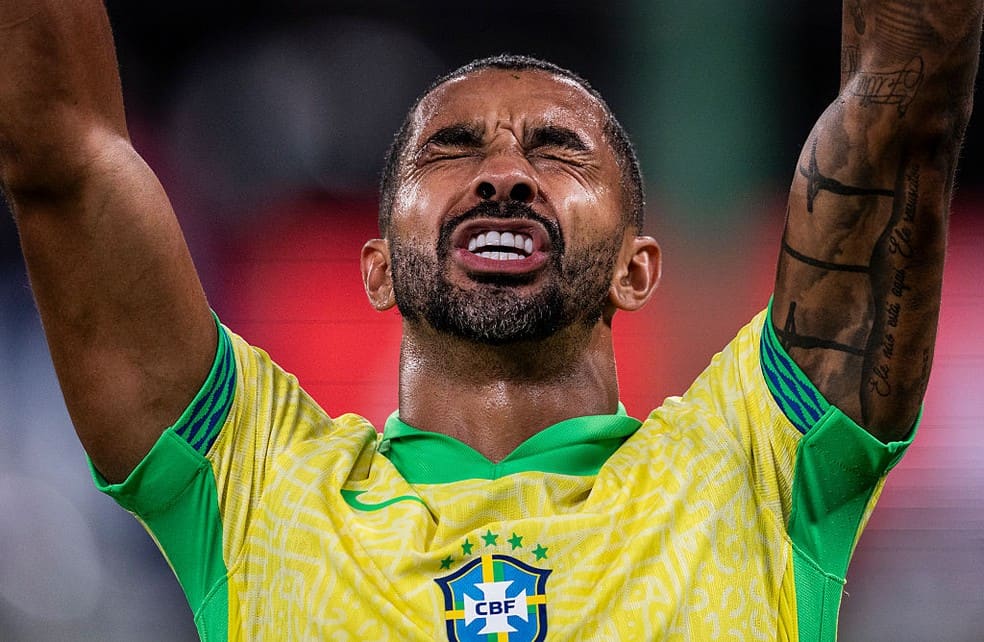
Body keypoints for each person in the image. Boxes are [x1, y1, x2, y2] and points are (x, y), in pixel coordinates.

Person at [1, 0, 980, 639]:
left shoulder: (759, 467)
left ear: (640, 272)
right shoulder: (254, 483)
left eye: (560, 151)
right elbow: (60, 155)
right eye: (451, 152)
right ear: (376, 269)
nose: (505, 173)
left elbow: (903, 110)